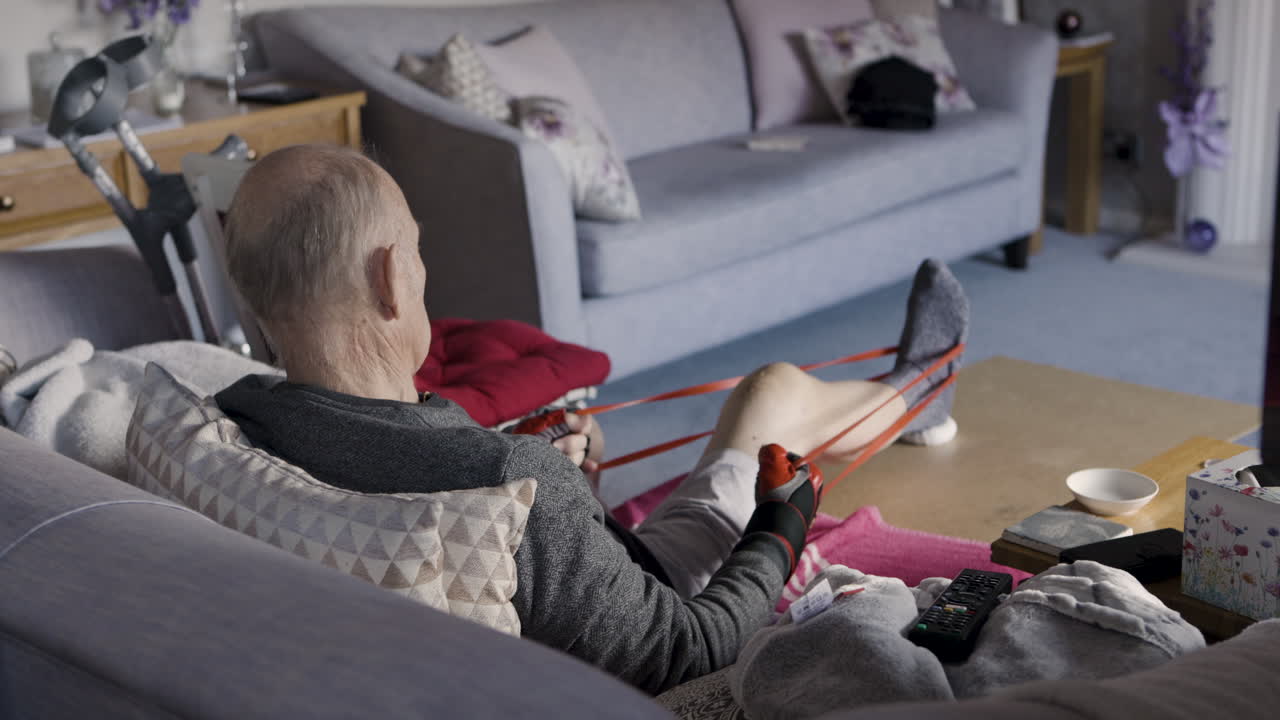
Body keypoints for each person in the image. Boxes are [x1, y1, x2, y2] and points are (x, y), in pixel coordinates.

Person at [214, 144, 968, 694]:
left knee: (759, 406)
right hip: (663, 594)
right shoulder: (508, 485)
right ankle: (923, 386)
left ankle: (910, 389)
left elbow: (424, 470)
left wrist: (560, 489)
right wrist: (779, 527)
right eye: (414, 248)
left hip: (574, 569)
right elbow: (687, 646)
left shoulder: (238, 418)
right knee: (770, 396)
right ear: (389, 277)